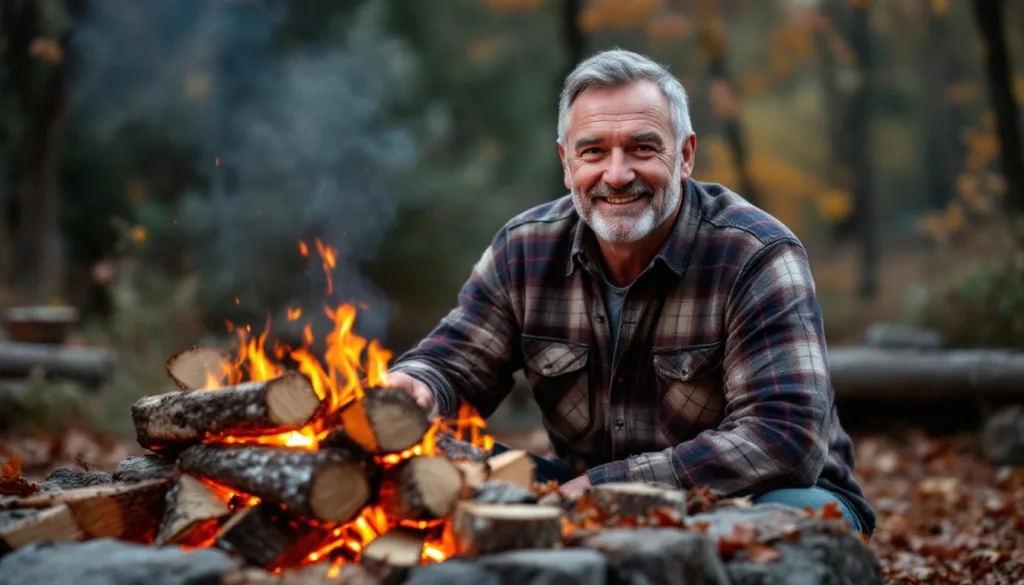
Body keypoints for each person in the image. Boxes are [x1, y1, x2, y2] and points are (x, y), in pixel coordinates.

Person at [387, 49, 875, 536]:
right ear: (566, 162)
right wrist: (417, 386)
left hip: (751, 497)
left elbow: (783, 437)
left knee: (790, 524)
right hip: (580, 497)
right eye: (593, 152)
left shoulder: (756, 254)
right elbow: (454, 364)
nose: (617, 175)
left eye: (642, 148)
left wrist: (604, 489)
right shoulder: (524, 249)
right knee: (420, 466)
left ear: (685, 155)